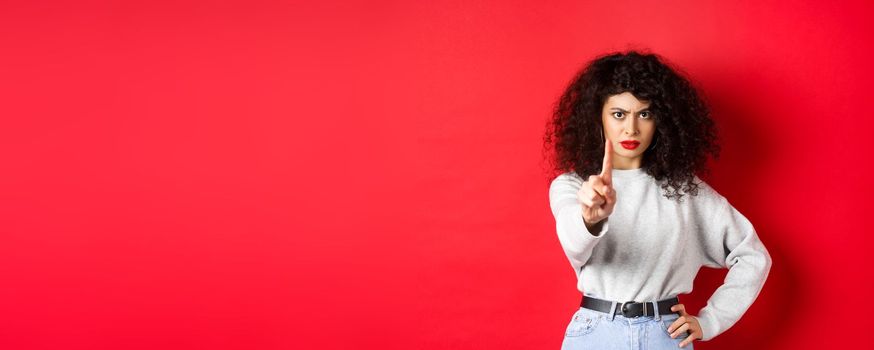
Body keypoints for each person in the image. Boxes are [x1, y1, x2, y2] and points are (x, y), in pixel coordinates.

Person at [543, 50, 772, 349]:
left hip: (664, 334)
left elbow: (753, 256)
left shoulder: (685, 191)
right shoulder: (572, 186)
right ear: (596, 117)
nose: (631, 128)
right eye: (619, 114)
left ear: (661, 120)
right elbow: (573, 245)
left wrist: (710, 321)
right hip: (596, 333)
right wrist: (590, 216)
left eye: (645, 113)